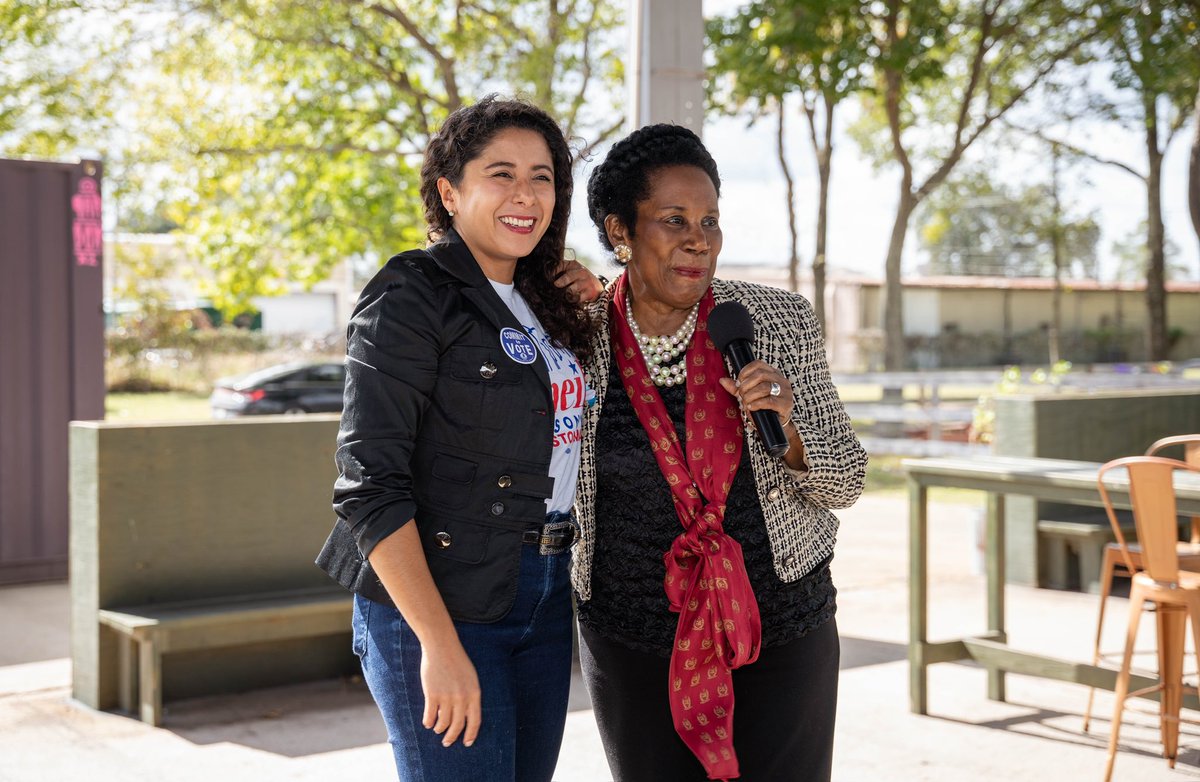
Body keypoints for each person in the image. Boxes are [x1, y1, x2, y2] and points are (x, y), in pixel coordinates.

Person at [572, 123, 867, 782]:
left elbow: (846, 481)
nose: (699, 240)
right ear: (620, 231)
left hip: (782, 630)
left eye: (710, 220)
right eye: (673, 220)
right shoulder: (576, 338)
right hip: (631, 641)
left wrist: (788, 427)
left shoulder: (777, 321)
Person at [315, 96, 594, 782]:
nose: (526, 195)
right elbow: (369, 486)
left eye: (542, 177)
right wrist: (435, 643)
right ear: (450, 192)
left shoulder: (548, 301)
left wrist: (596, 298)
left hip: (544, 591)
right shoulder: (411, 294)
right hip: (441, 603)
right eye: (501, 174)